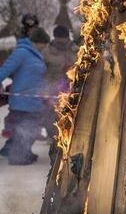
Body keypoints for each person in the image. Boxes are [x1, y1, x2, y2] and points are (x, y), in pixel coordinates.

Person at [0, 27, 49, 165]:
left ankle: (24, 152)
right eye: (45, 43)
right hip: (22, 101)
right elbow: (5, 69)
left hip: (34, 100)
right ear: (38, 42)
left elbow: (37, 76)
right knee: (24, 128)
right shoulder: (22, 52)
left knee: (31, 129)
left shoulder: (35, 55)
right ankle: (17, 157)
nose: (45, 46)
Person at [42, 25, 78, 140]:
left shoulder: (75, 49)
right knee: (51, 115)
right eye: (58, 38)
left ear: (67, 37)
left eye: (63, 38)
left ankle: (68, 137)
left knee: (69, 115)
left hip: (71, 88)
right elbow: (42, 71)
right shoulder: (47, 52)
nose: (61, 41)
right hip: (52, 88)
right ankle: (53, 137)